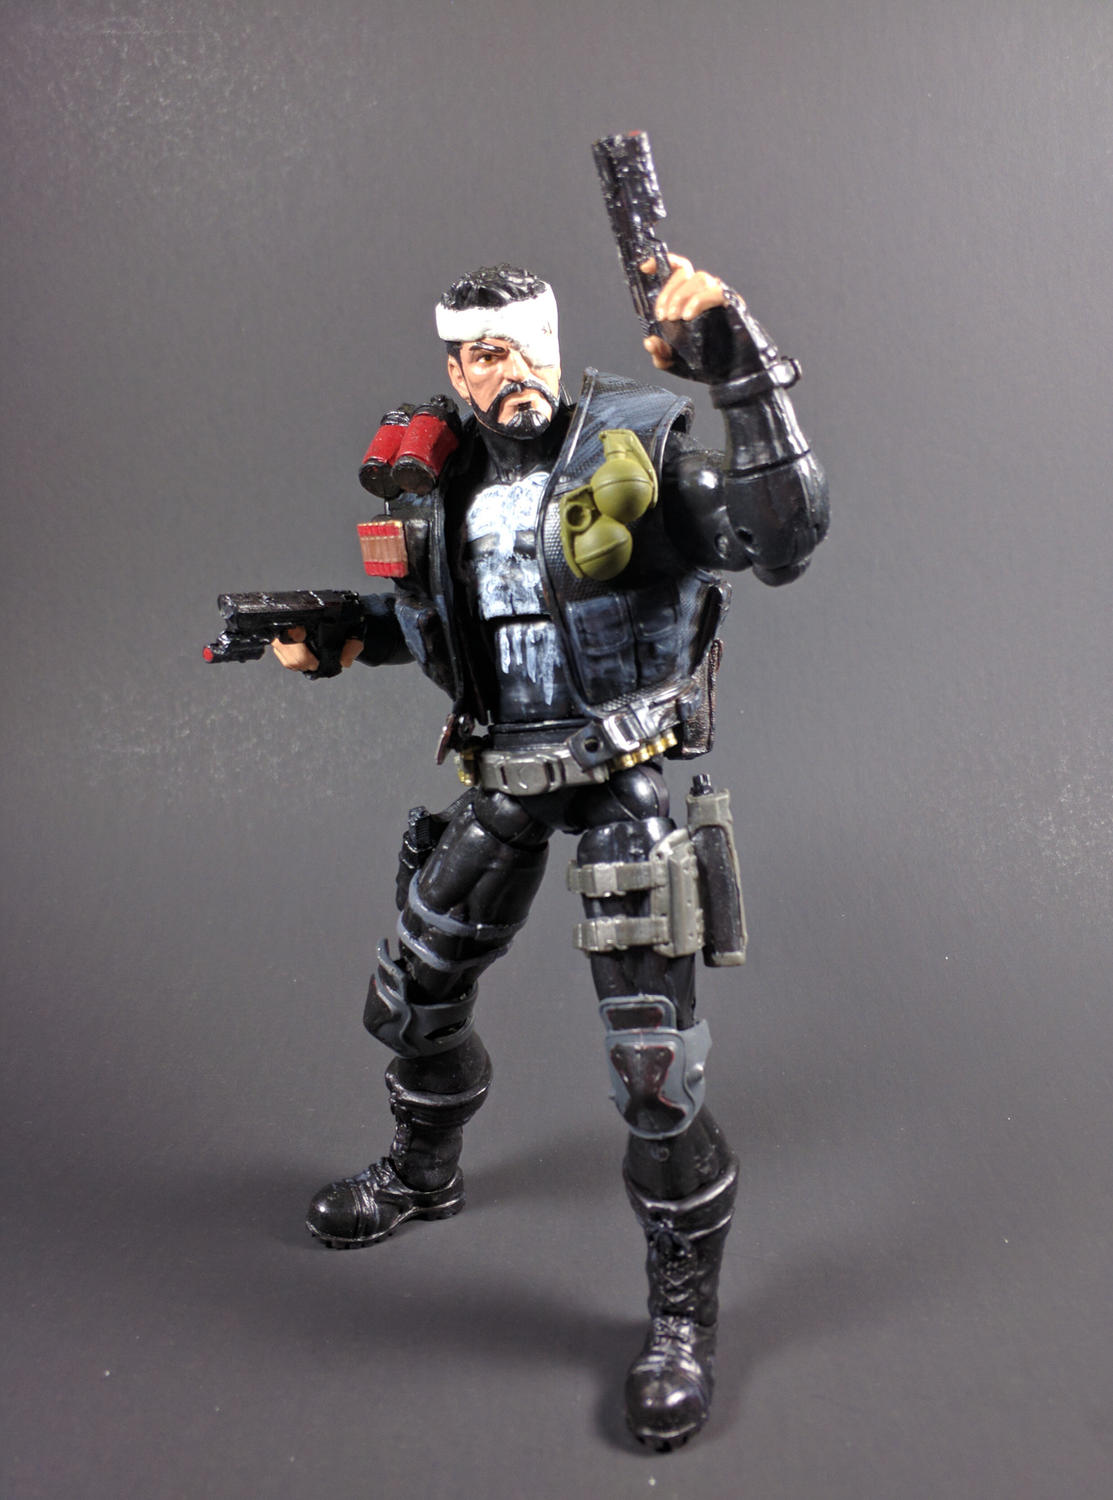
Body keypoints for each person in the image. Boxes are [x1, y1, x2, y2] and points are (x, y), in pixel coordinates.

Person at [273, 254, 828, 1449]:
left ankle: (681, 1317)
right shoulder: (443, 480)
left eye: (522, 345)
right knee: (408, 1000)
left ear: (555, 341)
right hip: (503, 778)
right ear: (453, 365)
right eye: (479, 354)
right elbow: (448, 614)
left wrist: (744, 374)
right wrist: (342, 635)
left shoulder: (637, 446)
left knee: (654, 1073)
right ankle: (423, 1172)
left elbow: (781, 536)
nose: (504, 371)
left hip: (622, 779)